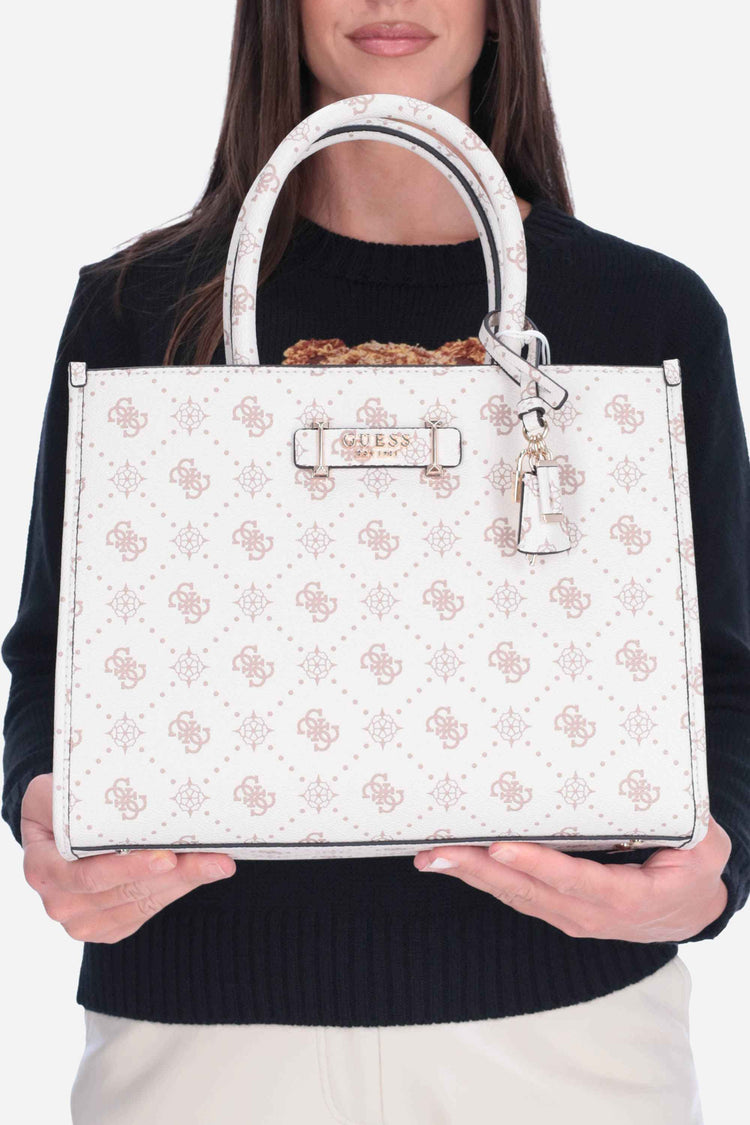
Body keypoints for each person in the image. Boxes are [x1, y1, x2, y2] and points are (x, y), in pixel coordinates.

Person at [3, 2, 749, 1123]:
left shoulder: (642, 311)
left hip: (573, 1036)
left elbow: (723, 671)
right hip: (196, 1038)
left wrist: (710, 879)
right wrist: (45, 814)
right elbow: (55, 659)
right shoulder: (140, 306)